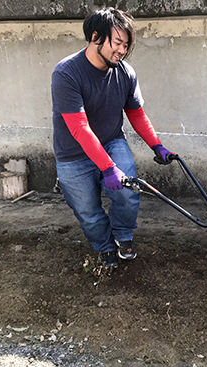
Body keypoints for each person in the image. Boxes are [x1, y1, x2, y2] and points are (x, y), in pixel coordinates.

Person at [51, 7, 172, 270]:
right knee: (88, 213)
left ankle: (124, 236)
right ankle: (105, 248)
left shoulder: (125, 73)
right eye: (117, 43)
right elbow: (80, 128)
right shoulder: (66, 74)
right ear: (96, 37)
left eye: (126, 45)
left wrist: (157, 145)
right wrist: (107, 168)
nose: (122, 50)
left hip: (110, 141)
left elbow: (136, 114)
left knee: (128, 195)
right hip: (72, 153)